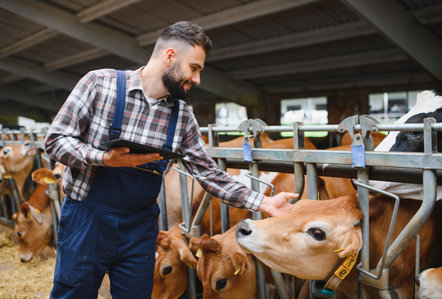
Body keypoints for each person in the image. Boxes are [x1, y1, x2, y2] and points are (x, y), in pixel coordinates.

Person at [45, 21, 297, 298]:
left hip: (139, 228)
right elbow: (55, 141)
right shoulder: (99, 84)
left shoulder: (182, 117)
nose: (198, 79)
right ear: (169, 56)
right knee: (73, 294)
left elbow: (209, 174)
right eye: (194, 68)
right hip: (87, 218)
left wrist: (264, 202)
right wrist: (104, 158)